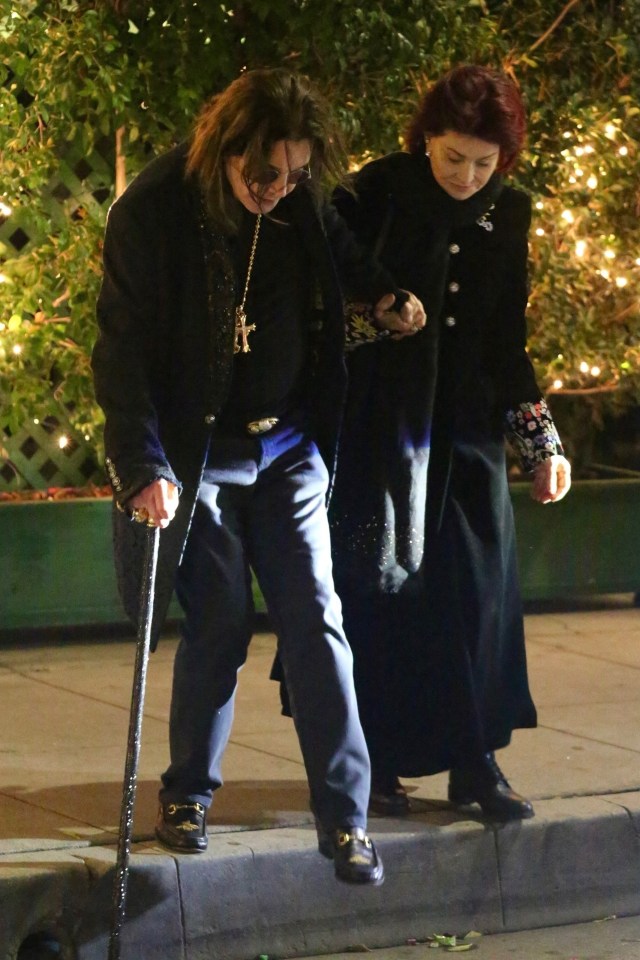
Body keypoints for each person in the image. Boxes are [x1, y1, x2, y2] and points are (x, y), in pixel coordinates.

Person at [91, 67, 425, 885]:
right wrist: (141, 465)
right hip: (195, 455)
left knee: (317, 616)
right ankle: (187, 794)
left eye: (296, 175)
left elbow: (333, 247)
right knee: (221, 621)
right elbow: (122, 347)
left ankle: (345, 819)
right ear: (225, 147)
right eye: (264, 175)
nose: (278, 190)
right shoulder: (157, 210)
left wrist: (380, 293)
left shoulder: (296, 200)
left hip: (287, 449)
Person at [328, 65, 571, 821]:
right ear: (426, 138)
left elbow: (506, 340)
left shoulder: (512, 212)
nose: (467, 177)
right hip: (382, 432)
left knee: (476, 599)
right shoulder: (378, 192)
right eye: (453, 157)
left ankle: (476, 761)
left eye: (484, 163)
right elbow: (326, 302)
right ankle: (376, 764)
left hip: (464, 438)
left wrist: (540, 446)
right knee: (384, 597)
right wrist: (380, 313)